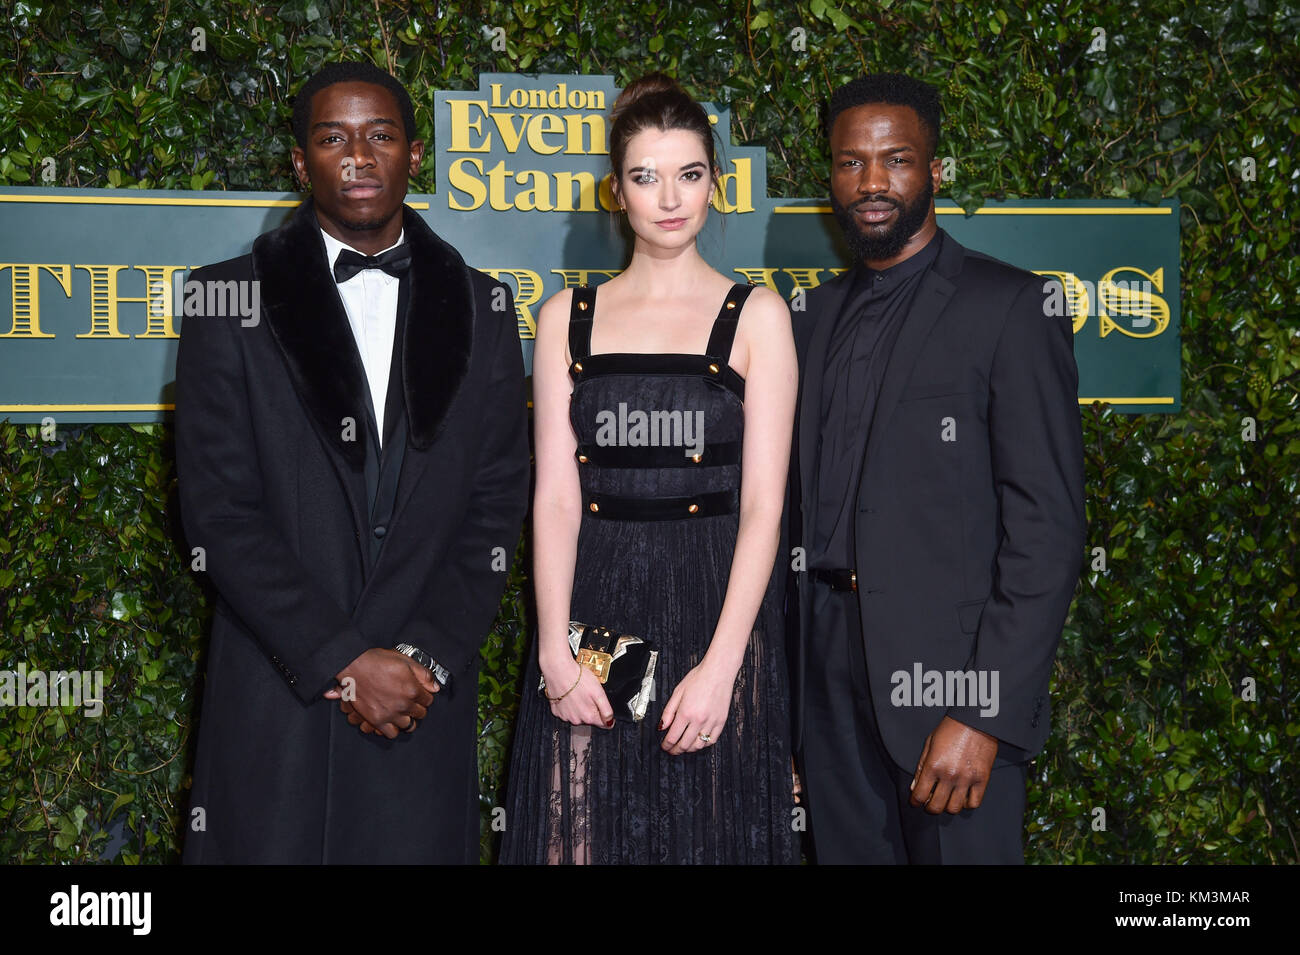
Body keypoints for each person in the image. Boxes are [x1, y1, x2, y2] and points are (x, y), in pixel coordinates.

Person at [175, 61, 530, 863]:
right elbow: (217, 512)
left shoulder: (487, 309)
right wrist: (341, 657)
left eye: (381, 135)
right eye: (334, 138)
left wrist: (422, 656)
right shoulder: (224, 301)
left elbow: (497, 504)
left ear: (414, 154)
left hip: (418, 702)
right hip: (279, 700)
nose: (359, 156)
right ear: (302, 163)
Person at [786, 73, 1085, 864]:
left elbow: (1047, 531)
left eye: (897, 160)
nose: (872, 182)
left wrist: (983, 713)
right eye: (851, 163)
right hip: (825, 683)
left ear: (936, 171)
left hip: (950, 692)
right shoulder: (807, 319)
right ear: (831, 178)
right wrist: (786, 717)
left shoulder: (1012, 307)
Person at [501, 73, 800, 864]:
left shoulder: (758, 316)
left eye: (689, 174)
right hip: (594, 607)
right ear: (616, 191)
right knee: (578, 842)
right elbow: (557, 500)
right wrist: (553, 656)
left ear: (715, 185)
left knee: (708, 841)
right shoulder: (567, 318)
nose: (669, 197)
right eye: (645, 176)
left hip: (716, 609)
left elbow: (766, 506)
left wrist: (724, 664)